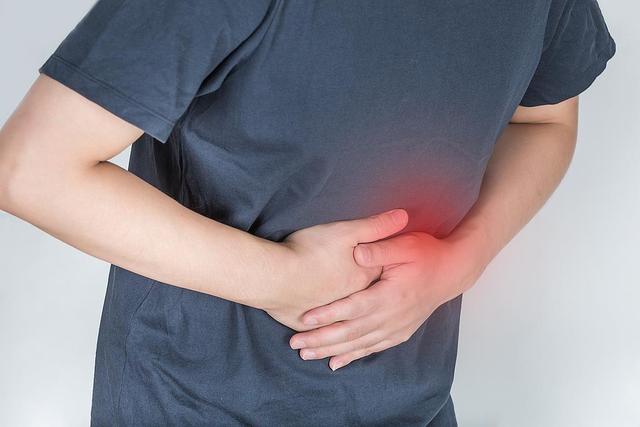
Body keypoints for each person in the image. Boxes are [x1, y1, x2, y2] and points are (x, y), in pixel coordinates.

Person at [0, 0, 616, 425]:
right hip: (193, 400)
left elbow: (544, 121)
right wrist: (286, 279)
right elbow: (30, 170)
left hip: (412, 401)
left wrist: (463, 259)